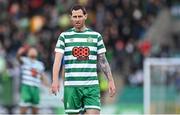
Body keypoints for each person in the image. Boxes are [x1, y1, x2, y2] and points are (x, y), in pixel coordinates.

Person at [51, 4, 116, 114]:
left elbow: (103, 61)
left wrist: (111, 81)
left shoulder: (96, 36)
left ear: (85, 16)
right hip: (72, 87)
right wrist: (55, 81)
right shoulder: (64, 36)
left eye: (80, 16)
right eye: (75, 17)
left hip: (91, 86)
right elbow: (58, 61)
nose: (77, 19)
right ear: (71, 17)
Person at [16, 46, 49, 114]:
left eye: (34, 50)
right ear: (28, 53)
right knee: (23, 109)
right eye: (31, 50)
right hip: (26, 87)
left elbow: (42, 76)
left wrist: (48, 86)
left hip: (36, 88)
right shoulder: (24, 60)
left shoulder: (40, 64)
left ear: (37, 53)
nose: (33, 51)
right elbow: (18, 58)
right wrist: (19, 53)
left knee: (35, 109)